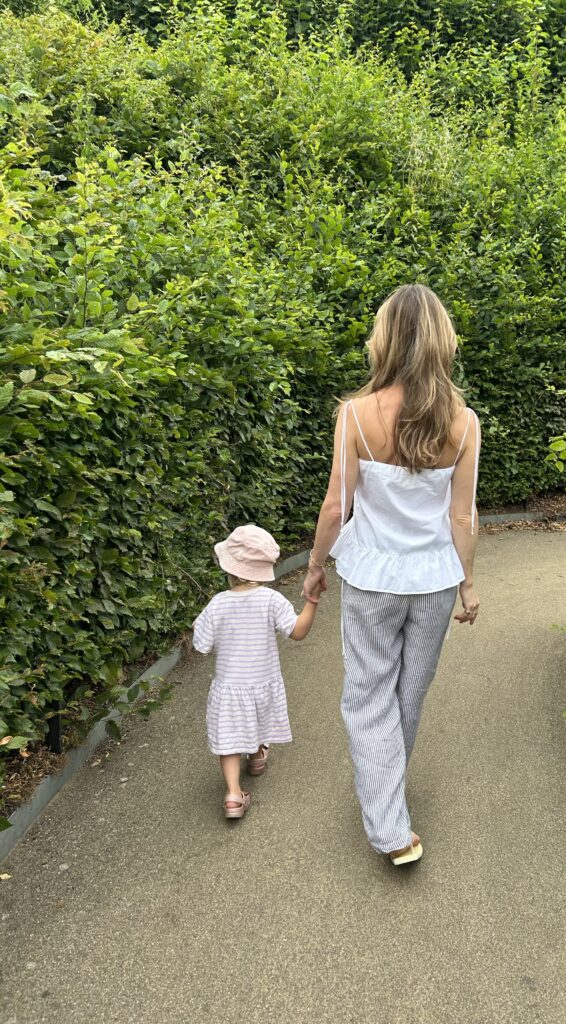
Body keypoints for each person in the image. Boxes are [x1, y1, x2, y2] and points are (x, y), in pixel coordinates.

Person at [302, 284, 481, 865]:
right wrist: (468, 584)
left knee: (367, 695)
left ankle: (390, 828)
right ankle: (390, 806)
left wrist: (312, 569)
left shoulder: (355, 415)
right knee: (408, 693)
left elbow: (336, 506)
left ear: (385, 339)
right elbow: (462, 515)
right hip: (432, 581)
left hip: (372, 577)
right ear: (440, 341)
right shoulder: (463, 422)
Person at [193, 524, 321, 819]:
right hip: (262, 681)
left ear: (230, 568)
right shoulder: (270, 600)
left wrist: (198, 628)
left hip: (229, 687)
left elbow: (201, 645)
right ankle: (257, 757)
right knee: (258, 717)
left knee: (229, 738)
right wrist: (312, 602)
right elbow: (296, 632)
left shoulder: (218, 604)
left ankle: (233, 795)